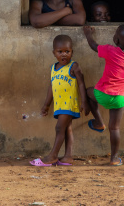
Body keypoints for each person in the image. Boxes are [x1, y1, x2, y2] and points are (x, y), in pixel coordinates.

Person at [82, 24, 124, 166]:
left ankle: (99, 122)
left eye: (116, 35)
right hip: (120, 98)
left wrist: (88, 34)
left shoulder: (109, 50)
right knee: (115, 128)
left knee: (89, 92)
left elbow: (94, 46)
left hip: (102, 94)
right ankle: (114, 158)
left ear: (117, 41)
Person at [30, 35, 89, 167]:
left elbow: (81, 84)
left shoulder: (74, 66)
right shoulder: (53, 68)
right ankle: (68, 156)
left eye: (67, 51)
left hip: (69, 104)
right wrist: (46, 105)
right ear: (54, 53)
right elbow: (51, 87)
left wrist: (84, 102)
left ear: (72, 52)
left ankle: (52, 156)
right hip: (59, 105)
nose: (64, 54)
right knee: (67, 128)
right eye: (60, 52)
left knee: (59, 128)